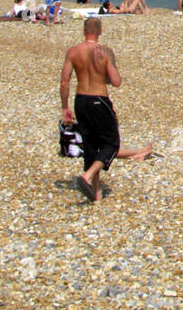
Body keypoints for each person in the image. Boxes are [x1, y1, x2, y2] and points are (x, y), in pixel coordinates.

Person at [60, 16, 152, 202]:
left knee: (91, 145)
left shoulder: (73, 52)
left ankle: (96, 193)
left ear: (84, 31)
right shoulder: (105, 52)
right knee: (112, 144)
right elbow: (116, 82)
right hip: (99, 100)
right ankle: (88, 176)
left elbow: (64, 81)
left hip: (80, 100)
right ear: (100, 32)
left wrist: (65, 107)